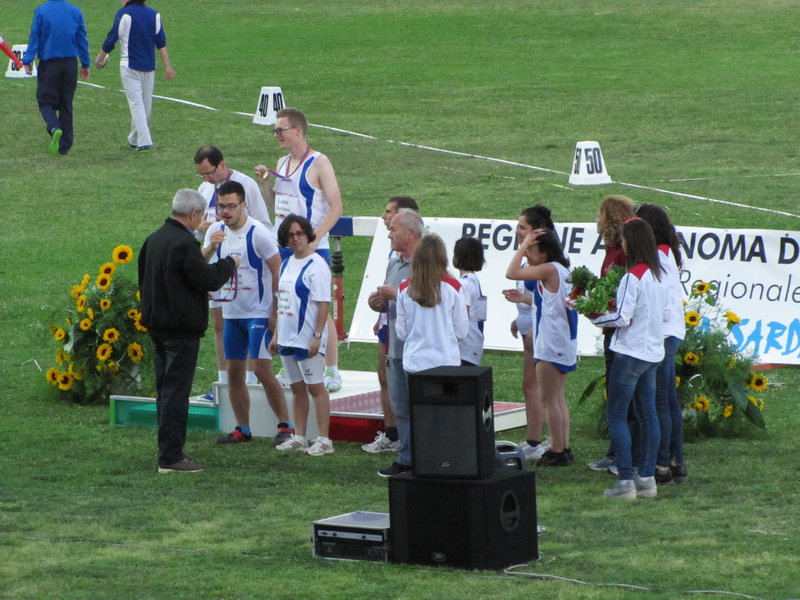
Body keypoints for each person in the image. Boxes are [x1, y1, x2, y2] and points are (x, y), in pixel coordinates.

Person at [138, 189, 240, 473]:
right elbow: (206, 278)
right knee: (175, 393)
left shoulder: (154, 239)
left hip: (157, 326)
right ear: (193, 214)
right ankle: (170, 457)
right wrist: (229, 264)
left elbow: (157, 280)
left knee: (165, 390)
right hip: (180, 331)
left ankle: (168, 450)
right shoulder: (184, 243)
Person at [255, 108, 344, 393]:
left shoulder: (319, 163)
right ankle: (291, 365)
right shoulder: (282, 162)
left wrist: (316, 239)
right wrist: (265, 185)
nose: (276, 135)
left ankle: (331, 369)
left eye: (281, 130)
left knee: (319, 306)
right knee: (288, 304)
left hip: (312, 247)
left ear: (298, 130)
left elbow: (337, 207)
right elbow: (277, 207)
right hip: (286, 247)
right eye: (275, 131)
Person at [202, 181, 292, 446]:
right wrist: (209, 249)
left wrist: (275, 311)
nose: (226, 212)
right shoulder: (215, 231)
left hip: (259, 313)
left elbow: (278, 272)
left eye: (231, 206)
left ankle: (285, 426)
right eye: (221, 207)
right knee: (234, 371)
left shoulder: (259, 233)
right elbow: (199, 265)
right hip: (232, 313)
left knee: (262, 369)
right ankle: (242, 428)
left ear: (244, 205)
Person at [591, 218, 666, 499]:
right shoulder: (658, 275)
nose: (621, 243)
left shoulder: (632, 276)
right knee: (648, 415)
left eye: (623, 239)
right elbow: (668, 314)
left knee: (617, 415)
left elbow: (622, 317)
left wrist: (595, 317)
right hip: (653, 352)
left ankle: (625, 481)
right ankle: (646, 479)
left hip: (630, 352)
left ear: (630, 242)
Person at [193, 145, 272, 402]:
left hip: (246, 262)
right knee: (219, 322)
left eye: (209, 173)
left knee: (246, 320)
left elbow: (264, 223)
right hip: (217, 260)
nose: (206, 179)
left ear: (222, 165)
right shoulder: (205, 190)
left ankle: (250, 379)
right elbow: (195, 232)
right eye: (201, 174)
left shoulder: (245, 184)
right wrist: (203, 229)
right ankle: (223, 381)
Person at [506, 229, 578, 467]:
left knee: (548, 400)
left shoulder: (549, 268)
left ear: (544, 253)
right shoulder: (559, 270)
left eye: (531, 251)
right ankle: (563, 447)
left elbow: (511, 272)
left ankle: (557, 450)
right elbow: (548, 303)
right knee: (557, 398)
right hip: (562, 340)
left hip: (551, 342)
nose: (527, 254)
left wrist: (524, 242)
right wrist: (522, 299)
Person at [268, 216, 334, 456]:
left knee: (316, 388)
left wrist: (317, 336)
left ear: (308, 234)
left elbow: (323, 304)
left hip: (307, 339)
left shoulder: (317, 265)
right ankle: (299, 436)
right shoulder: (286, 264)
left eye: (299, 234)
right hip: (286, 338)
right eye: (290, 235)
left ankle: (325, 439)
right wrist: (276, 335)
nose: (295, 239)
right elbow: (282, 301)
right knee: (296, 389)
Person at [635, 203, 688, 485]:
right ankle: (674, 461)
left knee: (661, 403)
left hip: (664, 332)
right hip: (673, 330)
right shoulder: (667, 250)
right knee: (668, 401)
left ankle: (662, 464)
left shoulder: (656, 255)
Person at [368, 209, 424, 477]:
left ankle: (422, 457)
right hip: (395, 347)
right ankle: (406, 457)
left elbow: (431, 299)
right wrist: (376, 303)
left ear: (410, 233)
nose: (389, 234)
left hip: (419, 350)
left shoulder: (426, 265)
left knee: (419, 407)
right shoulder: (394, 263)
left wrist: (398, 294)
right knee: (400, 406)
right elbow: (387, 299)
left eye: (393, 230)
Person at [587, 195, 637, 473]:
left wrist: (598, 309)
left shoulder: (621, 253)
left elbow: (621, 296)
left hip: (620, 332)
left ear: (611, 218)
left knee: (621, 398)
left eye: (599, 214)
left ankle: (622, 457)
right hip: (611, 330)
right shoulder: (610, 249)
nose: (596, 219)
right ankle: (615, 453)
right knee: (615, 394)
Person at [501, 205, 554, 461]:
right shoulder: (529, 260)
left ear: (536, 232)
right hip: (529, 331)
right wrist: (519, 318)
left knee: (540, 389)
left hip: (540, 334)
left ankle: (538, 441)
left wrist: (529, 315)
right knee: (532, 387)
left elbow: (550, 301)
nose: (517, 231)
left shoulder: (545, 263)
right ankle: (542, 439)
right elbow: (531, 298)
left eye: (522, 227)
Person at [95, 0, 174, 152]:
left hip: (129, 66)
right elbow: (161, 43)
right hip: (149, 67)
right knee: (144, 105)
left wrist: (99, 59)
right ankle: (136, 139)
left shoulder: (124, 14)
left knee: (137, 104)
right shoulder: (154, 14)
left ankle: (142, 141)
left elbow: (111, 39)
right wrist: (168, 67)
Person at [22, 0, 91, 156]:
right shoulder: (75, 11)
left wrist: (28, 60)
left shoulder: (41, 11)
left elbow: (35, 36)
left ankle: (54, 127)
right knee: (66, 103)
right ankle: (65, 145)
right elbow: (82, 38)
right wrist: (85, 63)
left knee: (45, 101)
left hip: (49, 63)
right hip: (70, 64)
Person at [396, 234, 469, 373]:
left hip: (414, 363)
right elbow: (461, 331)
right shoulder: (454, 287)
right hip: (446, 363)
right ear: (442, 258)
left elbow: (401, 332)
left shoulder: (404, 289)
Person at [453, 236, 486, 366]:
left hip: (464, 348)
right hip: (473, 344)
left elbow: (462, 316)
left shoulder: (465, 284)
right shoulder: (473, 281)